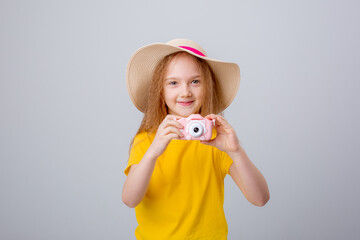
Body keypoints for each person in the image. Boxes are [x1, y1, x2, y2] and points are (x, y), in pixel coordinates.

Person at [122, 39, 270, 240]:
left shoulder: (216, 141)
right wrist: (153, 152)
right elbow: (130, 199)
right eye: (173, 83)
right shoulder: (147, 141)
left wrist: (235, 151)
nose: (186, 92)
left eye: (195, 81)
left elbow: (260, 198)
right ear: (160, 90)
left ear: (207, 87)